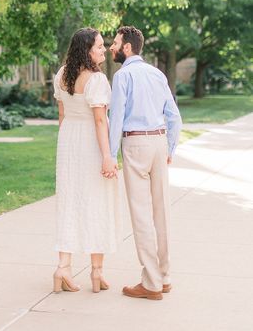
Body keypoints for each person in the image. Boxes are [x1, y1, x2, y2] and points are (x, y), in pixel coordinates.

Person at [108, 25, 182, 301]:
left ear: (127, 47)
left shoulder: (123, 76)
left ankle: (150, 283)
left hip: (136, 144)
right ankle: (164, 277)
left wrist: (110, 154)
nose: (111, 48)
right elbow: (174, 116)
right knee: (161, 212)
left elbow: (116, 118)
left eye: (115, 43)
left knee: (141, 215)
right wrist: (169, 148)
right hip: (159, 142)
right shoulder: (157, 74)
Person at [53, 27, 121, 294]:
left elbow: (62, 116)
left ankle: (63, 268)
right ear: (87, 50)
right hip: (91, 143)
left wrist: (65, 146)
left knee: (68, 202)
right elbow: (100, 120)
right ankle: (96, 272)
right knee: (97, 202)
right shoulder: (96, 80)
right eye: (99, 46)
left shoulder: (61, 75)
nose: (104, 49)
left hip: (68, 140)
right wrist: (107, 156)